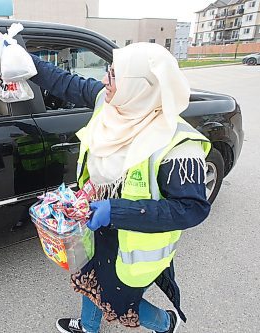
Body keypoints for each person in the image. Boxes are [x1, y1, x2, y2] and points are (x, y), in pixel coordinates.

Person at [29, 42, 211, 333]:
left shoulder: (178, 145)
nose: (104, 81)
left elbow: (192, 209)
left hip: (132, 240)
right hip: (95, 221)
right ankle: (89, 327)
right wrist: (23, 62)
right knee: (90, 278)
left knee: (116, 300)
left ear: (137, 85)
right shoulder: (113, 102)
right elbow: (65, 82)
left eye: (113, 75)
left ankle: (165, 323)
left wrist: (116, 210)